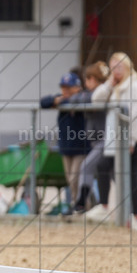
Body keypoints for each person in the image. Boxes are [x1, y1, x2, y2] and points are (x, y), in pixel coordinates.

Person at [91, 52, 137, 224]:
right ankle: (104, 206)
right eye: (113, 67)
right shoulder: (116, 87)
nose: (116, 71)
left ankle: (136, 215)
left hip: (134, 137)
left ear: (127, 66)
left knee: (130, 175)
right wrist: (109, 84)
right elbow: (96, 100)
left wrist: (131, 140)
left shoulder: (135, 87)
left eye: (119, 66)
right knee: (103, 166)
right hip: (116, 138)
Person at [40, 72, 90, 215]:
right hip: (66, 147)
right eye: (63, 87)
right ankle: (79, 207)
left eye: (69, 87)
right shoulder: (61, 97)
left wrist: (61, 102)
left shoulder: (83, 97)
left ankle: (83, 207)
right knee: (70, 180)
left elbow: (75, 102)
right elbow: (43, 102)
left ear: (78, 87)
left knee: (75, 179)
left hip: (81, 147)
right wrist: (55, 100)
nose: (65, 90)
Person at [71, 62, 109, 213]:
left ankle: (81, 203)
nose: (85, 83)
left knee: (86, 166)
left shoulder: (102, 92)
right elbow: (74, 100)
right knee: (109, 173)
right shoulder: (90, 93)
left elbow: (85, 99)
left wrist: (80, 96)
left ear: (93, 79)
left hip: (105, 140)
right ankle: (101, 204)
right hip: (96, 140)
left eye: (87, 79)